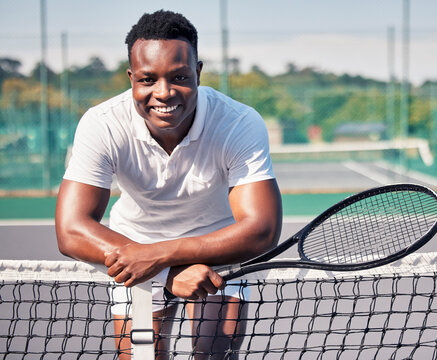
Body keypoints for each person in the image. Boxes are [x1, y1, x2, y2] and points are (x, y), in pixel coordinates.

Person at [55, 10, 282, 359]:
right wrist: (165, 271)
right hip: (132, 251)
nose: (163, 92)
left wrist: (163, 256)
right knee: (143, 358)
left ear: (198, 72)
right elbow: (71, 230)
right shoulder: (102, 124)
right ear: (131, 77)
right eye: (147, 79)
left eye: (179, 77)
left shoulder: (238, 122)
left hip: (219, 250)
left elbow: (262, 229)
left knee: (213, 354)